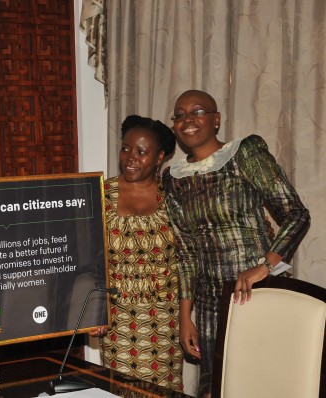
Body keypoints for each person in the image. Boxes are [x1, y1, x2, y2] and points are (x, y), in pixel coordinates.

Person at [163, 89, 310, 397]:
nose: (188, 120)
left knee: (261, 384)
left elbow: (296, 214)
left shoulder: (245, 152)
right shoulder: (174, 177)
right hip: (208, 304)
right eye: (180, 114)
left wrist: (264, 266)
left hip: (256, 295)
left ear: (216, 120)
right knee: (214, 389)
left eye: (198, 112)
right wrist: (184, 316)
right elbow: (186, 251)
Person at [93, 115, 183, 391]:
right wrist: (94, 309)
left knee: (162, 389)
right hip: (116, 316)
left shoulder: (175, 196)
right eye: (126, 148)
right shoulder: (100, 193)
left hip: (166, 315)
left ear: (160, 157)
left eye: (141, 152)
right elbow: (87, 258)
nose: (130, 157)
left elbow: (189, 259)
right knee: (122, 389)